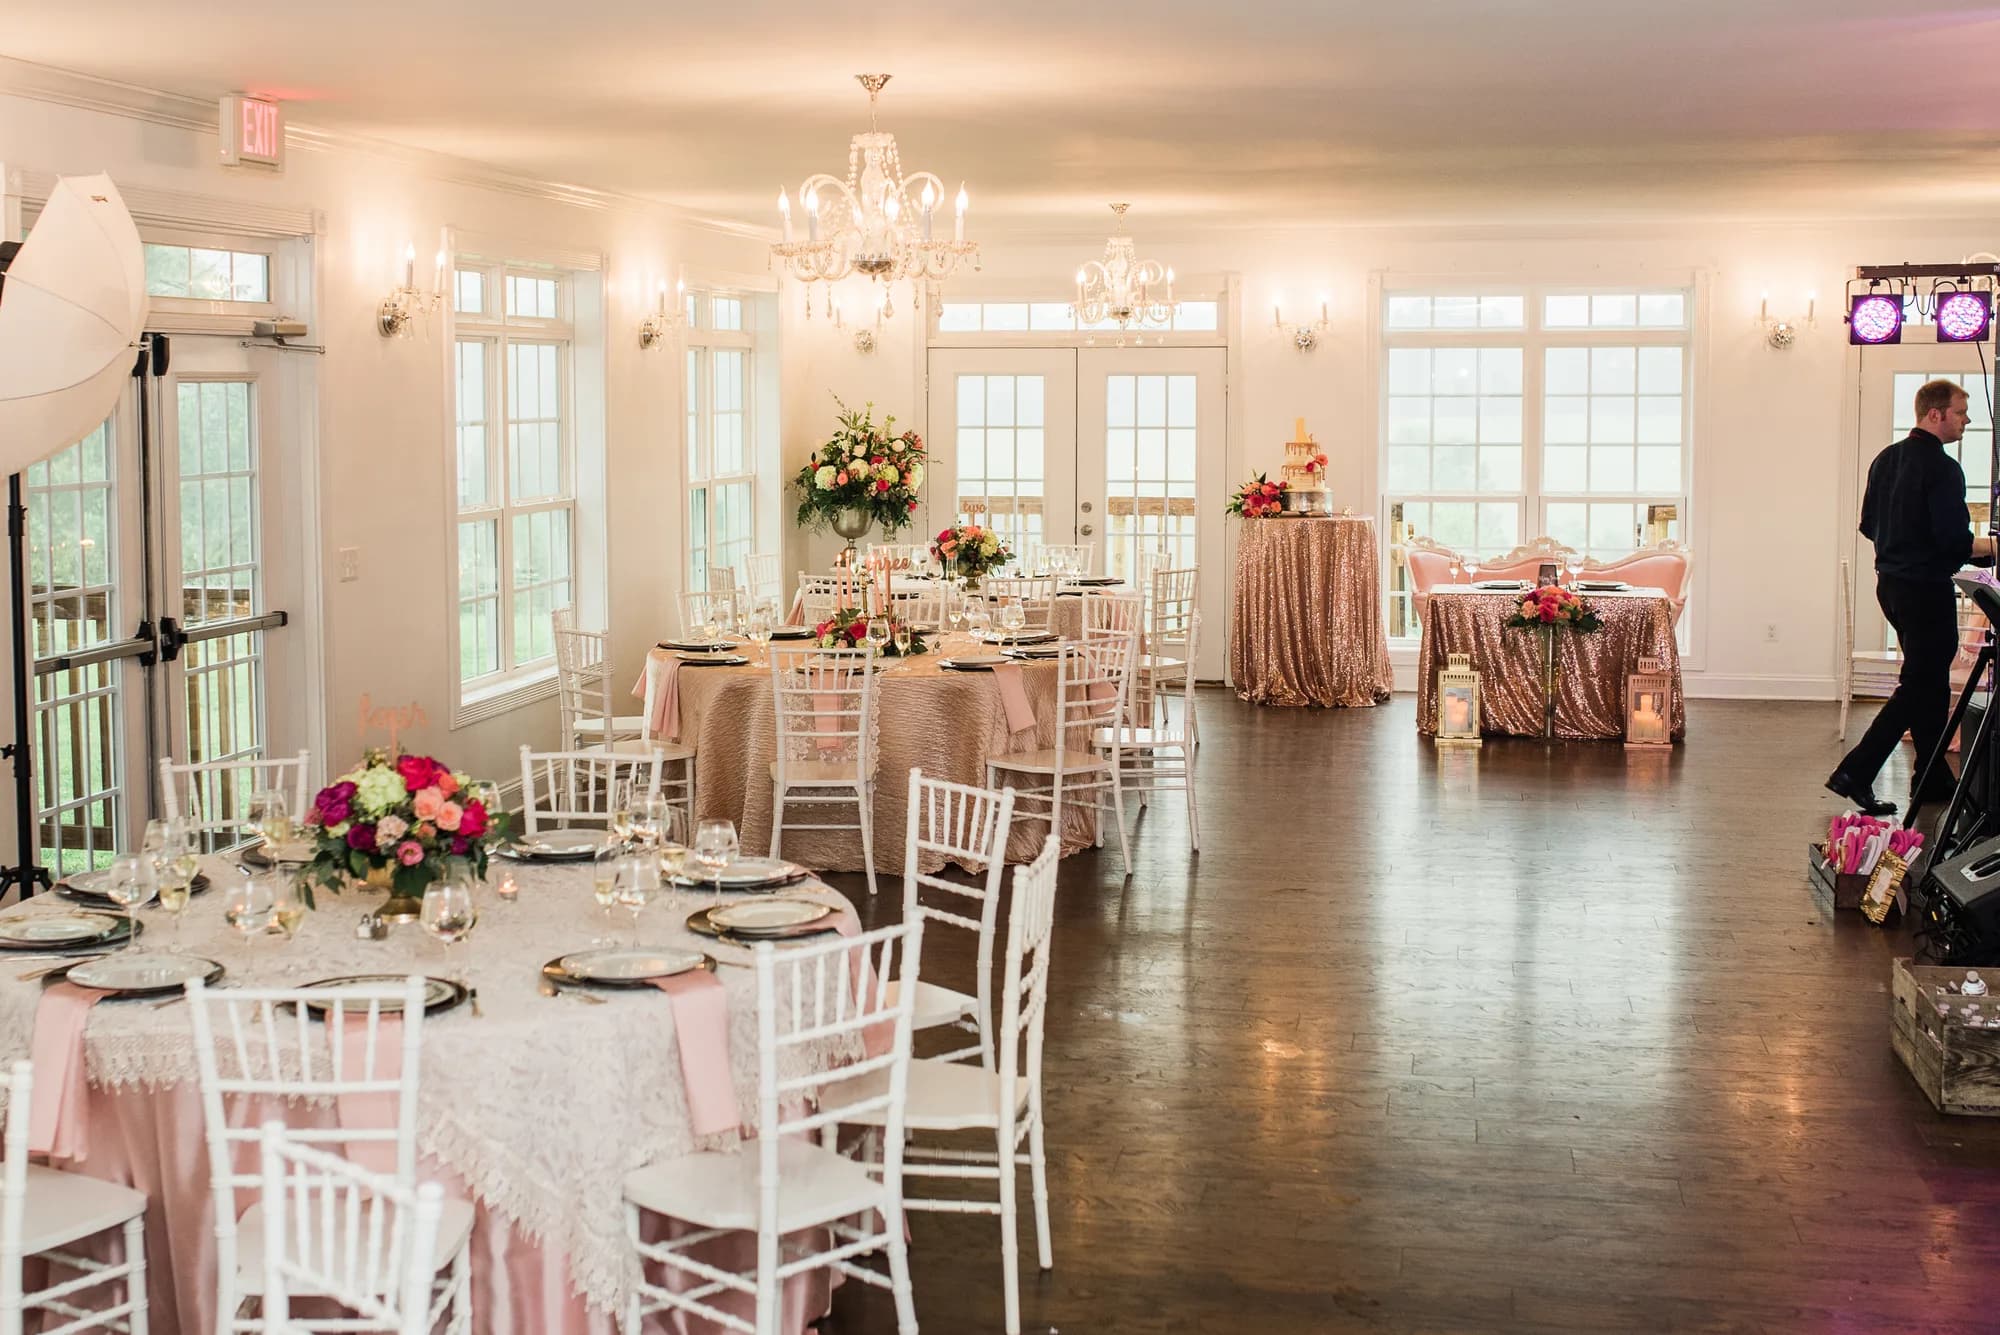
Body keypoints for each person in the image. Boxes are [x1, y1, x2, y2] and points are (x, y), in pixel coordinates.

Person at [1828, 379, 1997, 815]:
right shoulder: (1942, 468)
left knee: (1930, 681)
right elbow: (1953, 542)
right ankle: (1855, 771)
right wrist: (1992, 549)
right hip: (1925, 590)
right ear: (1935, 414)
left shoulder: (1885, 460)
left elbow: (1869, 526)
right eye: (1961, 412)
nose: (1967, 420)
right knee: (1919, 685)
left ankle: (1932, 775)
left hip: (1891, 587)